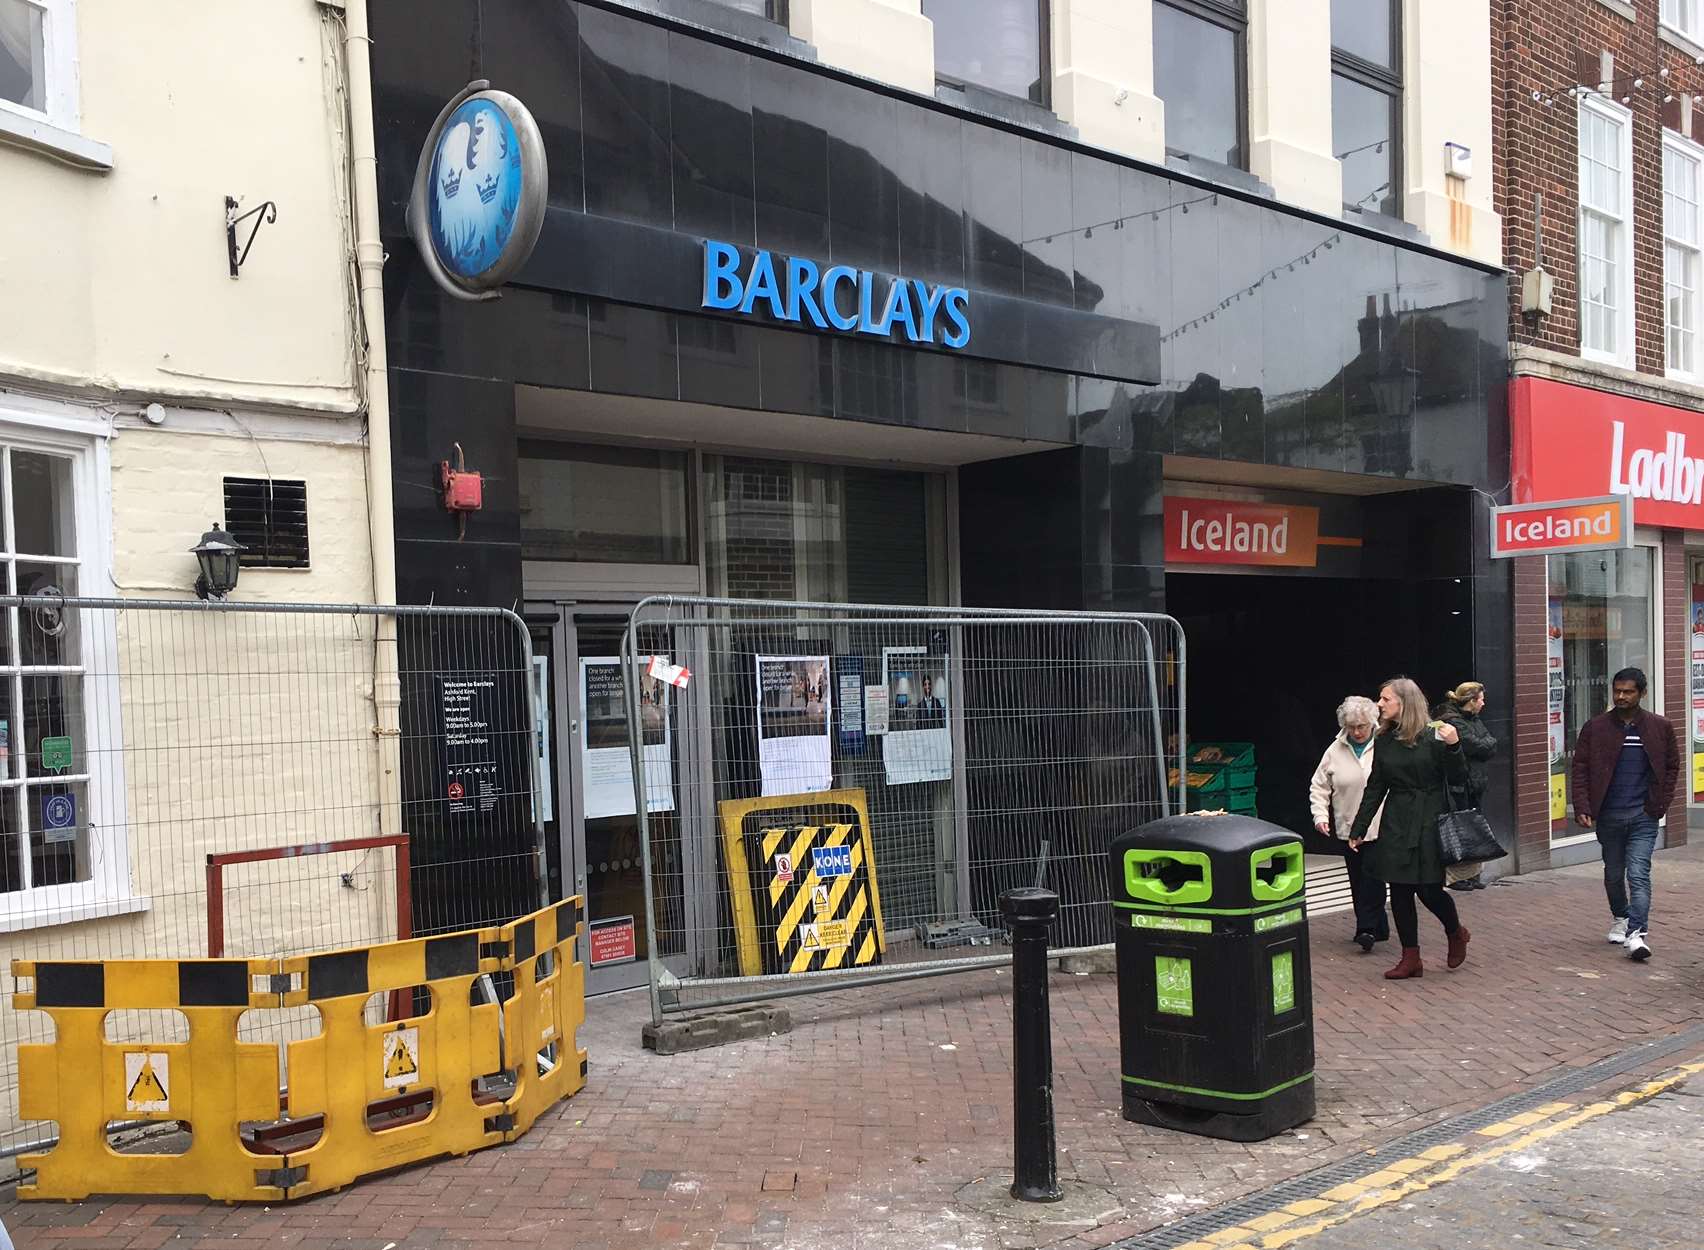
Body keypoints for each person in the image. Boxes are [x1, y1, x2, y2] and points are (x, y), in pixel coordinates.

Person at [1348, 677, 1470, 980]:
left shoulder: (1436, 735)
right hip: (1397, 819)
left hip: (1429, 816)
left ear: (1405, 702)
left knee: (1429, 889)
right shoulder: (1385, 739)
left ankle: (1455, 932)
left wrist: (1454, 746)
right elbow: (1376, 786)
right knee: (1399, 889)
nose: (1379, 704)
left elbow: (1458, 778)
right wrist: (1359, 827)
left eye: (1386, 699)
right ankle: (1410, 957)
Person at [1569, 667, 1680, 962]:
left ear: (1642, 693)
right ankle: (1620, 916)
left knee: (1639, 873)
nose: (1621, 696)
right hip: (1609, 814)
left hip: (1644, 815)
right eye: (1617, 691)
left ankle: (1636, 933)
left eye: (1628, 691)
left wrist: (1660, 805)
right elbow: (1580, 769)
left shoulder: (1660, 727)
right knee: (1614, 874)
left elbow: (1671, 768)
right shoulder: (1595, 728)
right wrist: (1582, 806)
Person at [1308, 694, 1390, 952]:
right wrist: (1320, 816)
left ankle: (1365, 928)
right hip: (1348, 824)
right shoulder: (1334, 750)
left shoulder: (1386, 744)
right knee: (1357, 876)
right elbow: (1319, 786)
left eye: (1361, 726)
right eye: (1351, 727)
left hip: (1381, 825)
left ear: (1372, 723)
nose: (1356, 732)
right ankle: (1378, 926)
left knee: (1373, 876)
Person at [1438, 681, 1498, 893]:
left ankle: (1472, 874)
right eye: (1480, 699)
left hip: (1475, 784)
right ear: (1471, 701)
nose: (1483, 703)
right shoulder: (1452, 721)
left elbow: (1490, 744)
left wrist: (1485, 745)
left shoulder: (1474, 719)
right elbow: (1476, 744)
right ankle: (1456, 875)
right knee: (1459, 829)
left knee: (1474, 830)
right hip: (1459, 785)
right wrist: (1484, 745)